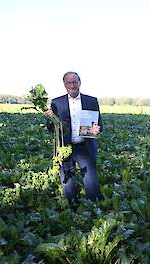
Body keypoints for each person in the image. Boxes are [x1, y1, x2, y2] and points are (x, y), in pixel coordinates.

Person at [45, 71, 103, 202]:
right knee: (67, 181)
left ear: (80, 83)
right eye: (69, 82)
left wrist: (96, 129)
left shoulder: (91, 101)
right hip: (65, 148)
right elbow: (50, 128)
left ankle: (94, 206)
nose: (72, 85)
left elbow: (100, 125)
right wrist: (50, 119)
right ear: (65, 85)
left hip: (86, 147)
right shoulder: (56, 102)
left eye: (75, 82)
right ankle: (72, 207)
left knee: (91, 181)